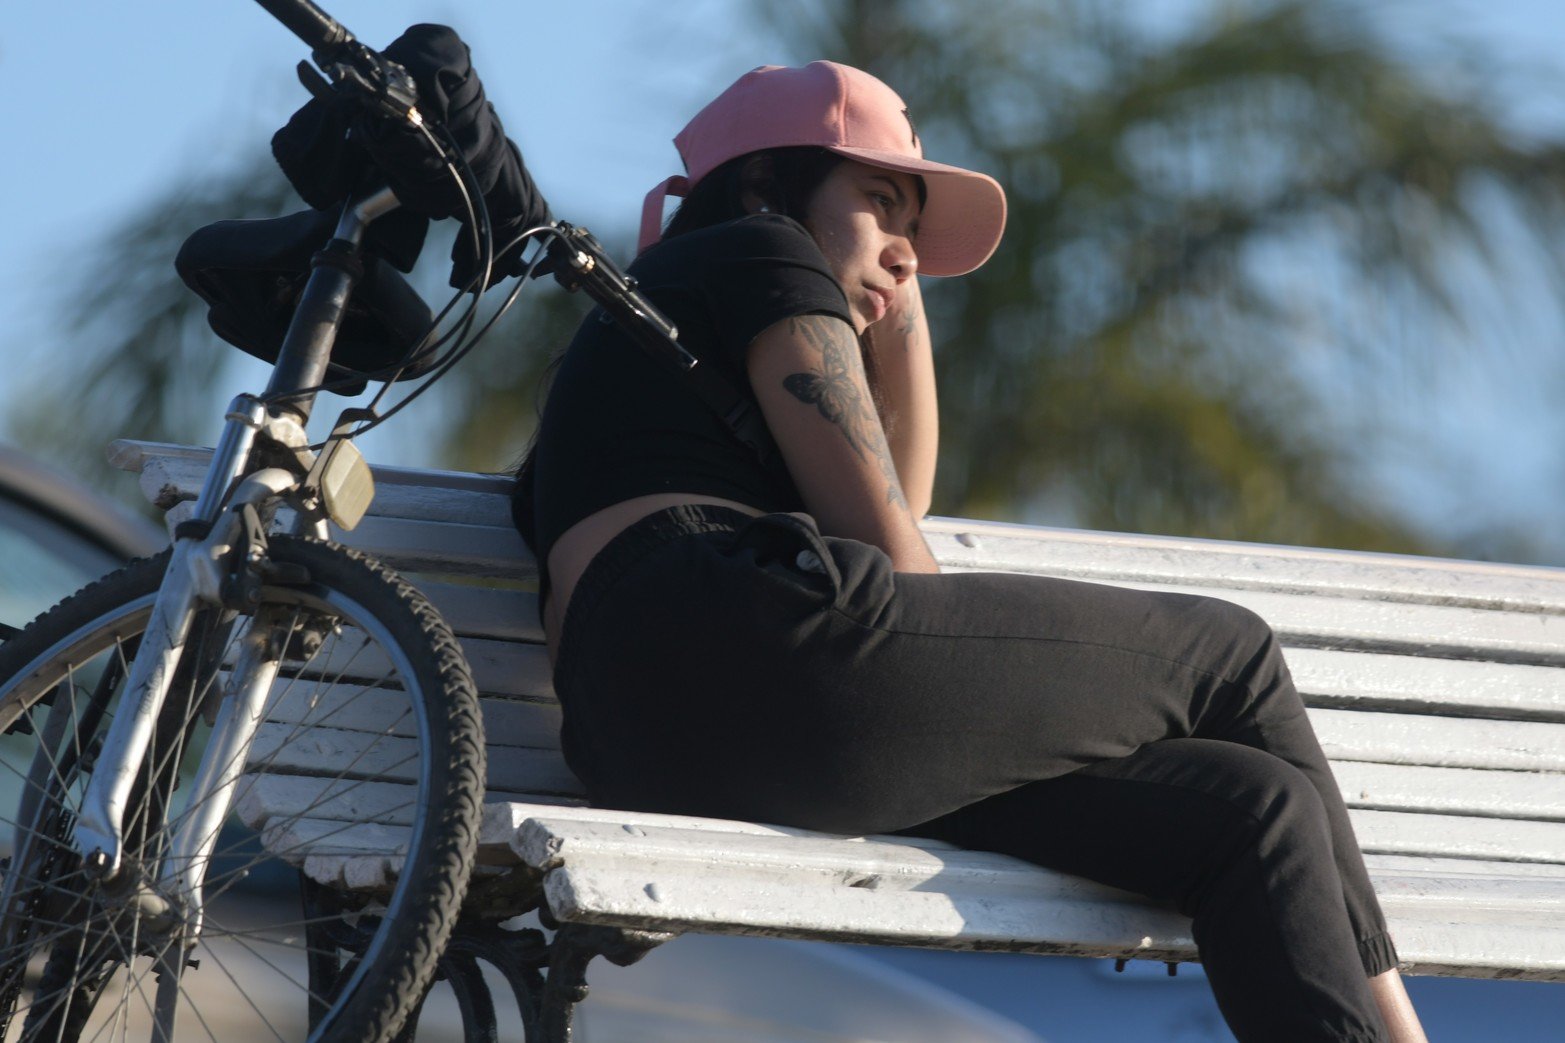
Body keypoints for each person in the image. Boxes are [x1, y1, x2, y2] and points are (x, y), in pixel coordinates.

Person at [512, 60, 1429, 1042]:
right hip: (759, 652)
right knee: (1230, 653)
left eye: (912, 224)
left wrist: (893, 309)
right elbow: (893, 554)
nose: (904, 249)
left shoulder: (663, 321)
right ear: (761, 183)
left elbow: (891, 503)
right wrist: (841, 288)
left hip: (654, 739)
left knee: (1251, 810)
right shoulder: (757, 245)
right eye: (878, 202)